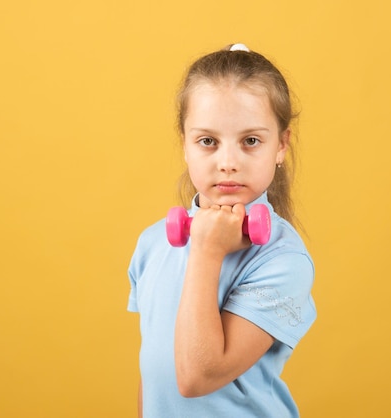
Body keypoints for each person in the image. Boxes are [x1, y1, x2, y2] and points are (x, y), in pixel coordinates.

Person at [127, 43, 316, 418]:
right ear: (184, 144)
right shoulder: (152, 244)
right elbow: (155, 372)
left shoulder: (284, 260)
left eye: (250, 141)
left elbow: (196, 377)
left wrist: (207, 252)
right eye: (208, 141)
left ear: (280, 145)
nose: (227, 163)